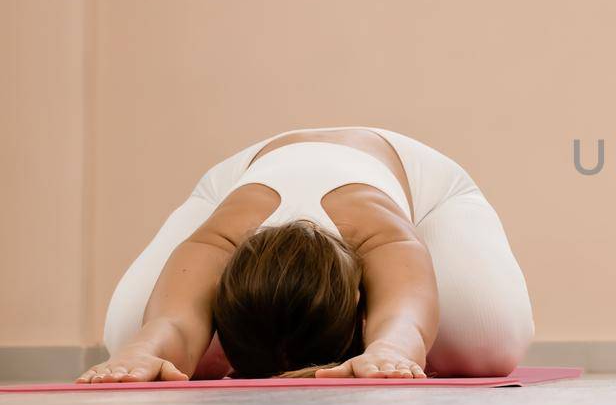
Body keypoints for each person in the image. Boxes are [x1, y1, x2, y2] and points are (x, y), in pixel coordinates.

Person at [80, 127, 534, 382]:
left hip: (431, 187)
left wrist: (388, 351)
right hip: (231, 180)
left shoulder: (376, 226)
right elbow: (170, 322)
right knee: (134, 344)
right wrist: (139, 354)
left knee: (485, 345)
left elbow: (406, 317)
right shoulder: (222, 233)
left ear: (361, 301)